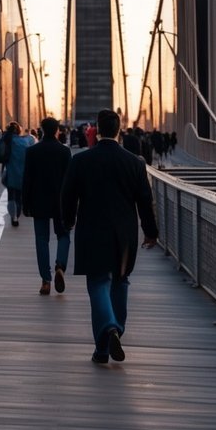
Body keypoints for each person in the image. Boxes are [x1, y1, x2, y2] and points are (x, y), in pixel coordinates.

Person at [60, 108, 159, 364]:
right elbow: (145, 202)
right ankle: (106, 343)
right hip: (124, 233)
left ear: (97, 129)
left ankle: (108, 335)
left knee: (97, 284)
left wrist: (68, 221)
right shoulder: (134, 163)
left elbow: (68, 196)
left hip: (91, 230)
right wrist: (150, 232)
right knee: (120, 281)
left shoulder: (80, 161)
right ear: (119, 130)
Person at [21, 117, 71, 296]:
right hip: (61, 202)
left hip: (39, 201)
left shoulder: (32, 151)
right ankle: (60, 266)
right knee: (64, 235)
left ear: (41, 130)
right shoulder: (65, 152)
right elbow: (69, 181)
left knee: (42, 240)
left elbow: (27, 180)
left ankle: (45, 281)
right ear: (57, 130)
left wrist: (24, 204)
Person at [3, 122, 35, 227]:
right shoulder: (25, 142)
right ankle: (17, 214)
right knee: (19, 197)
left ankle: (13, 216)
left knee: (10, 197)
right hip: (22, 173)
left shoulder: (7, 140)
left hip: (10, 173)